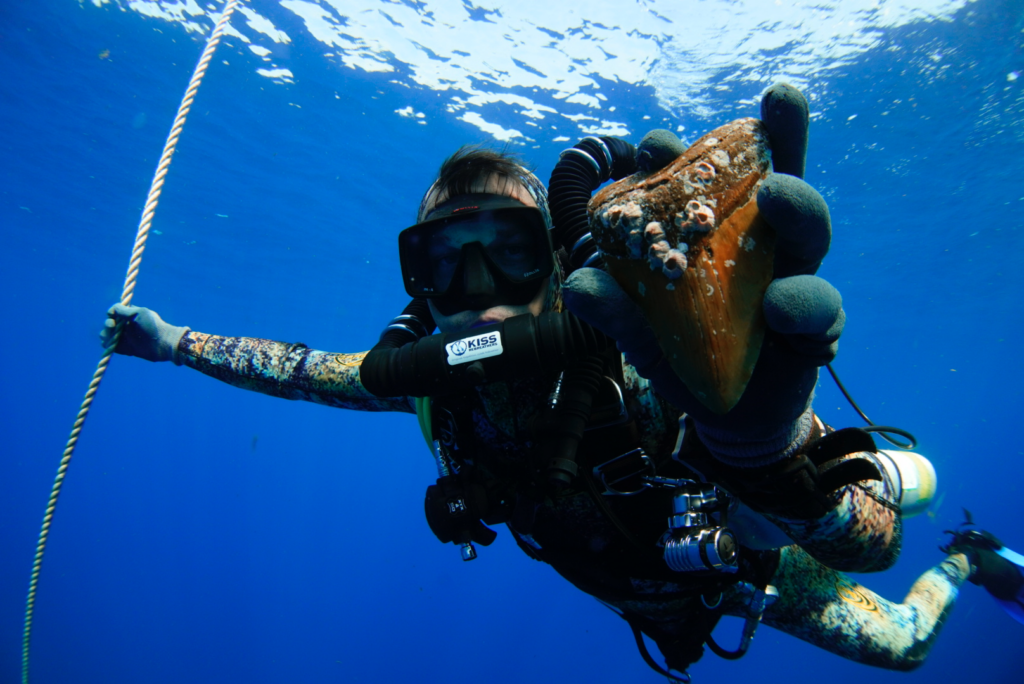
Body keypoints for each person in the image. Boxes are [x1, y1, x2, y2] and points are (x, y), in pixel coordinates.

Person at [100, 85, 1016, 679]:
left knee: (899, 644)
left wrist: (772, 468)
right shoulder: (429, 387)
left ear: (548, 259)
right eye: (445, 262)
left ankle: (967, 557)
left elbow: (873, 546)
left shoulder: (645, 370)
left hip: (743, 567)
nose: (478, 291)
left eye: (505, 250)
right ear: (414, 281)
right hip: (652, 594)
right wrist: (173, 340)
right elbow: (297, 371)